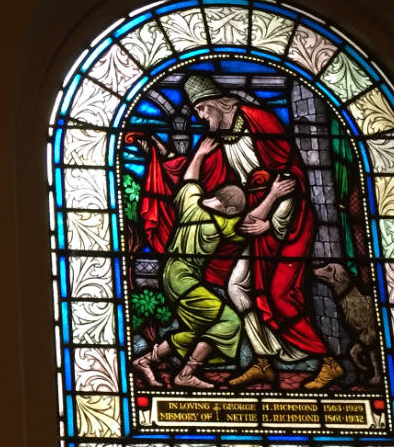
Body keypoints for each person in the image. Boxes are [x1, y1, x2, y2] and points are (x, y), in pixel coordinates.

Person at [138, 73, 342, 390]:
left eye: (203, 110)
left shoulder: (261, 122)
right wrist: (164, 155)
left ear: (223, 103)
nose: (200, 117)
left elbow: (289, 180)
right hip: (253, 225)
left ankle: (329, 362)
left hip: (287, 225)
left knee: (280, 295)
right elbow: (198, 175)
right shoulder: (222, 140)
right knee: (237, 287)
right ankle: (262, 361)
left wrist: (272, 223)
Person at [136, 134, 299, 389]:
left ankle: (147, 360)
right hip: (184, 280)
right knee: (229, 321)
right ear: (230, 210)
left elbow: (190, 178)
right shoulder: (217, 223)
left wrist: (200, 153)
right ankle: (186, 374)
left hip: (171, 275)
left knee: (196, 331)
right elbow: (249, 222)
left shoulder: (191, 201)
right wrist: (273, 195)